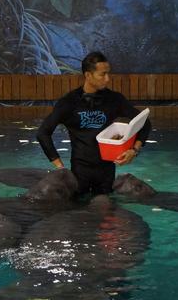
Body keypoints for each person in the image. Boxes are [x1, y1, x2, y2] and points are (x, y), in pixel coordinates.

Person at [36, 51, 151, 195]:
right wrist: (60, 168)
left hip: (107, 172)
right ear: (88, 75)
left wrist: (134, 151)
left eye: (108, 73)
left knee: (106, 212)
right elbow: (43, 133)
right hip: (79, 172)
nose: (107, 79)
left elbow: (145, 123)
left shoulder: (114, 100)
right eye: (102, 74)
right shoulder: (69, 102)